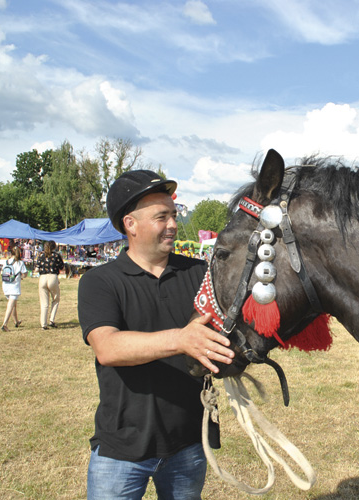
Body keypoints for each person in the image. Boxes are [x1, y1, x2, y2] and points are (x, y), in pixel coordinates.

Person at [78, 170, 234, 499]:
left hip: (188, 444)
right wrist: (181, 339)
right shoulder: (100, 281)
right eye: (161, 216)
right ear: (130, 224)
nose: (173, 224)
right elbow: (107, 348)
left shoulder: (198, 273)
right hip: (121, 449)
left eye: (174, 215)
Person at [34, 240, 65, 330]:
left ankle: (43, 324)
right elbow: (62, 267)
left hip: (42, 278)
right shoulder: (56, 255)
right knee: (56, 299)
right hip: (53, 277)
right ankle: (51, 320)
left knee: (44, 303)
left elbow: (36, 269)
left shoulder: (41, 255)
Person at [1, 247, 27, 331]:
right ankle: (5, 324)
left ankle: (16, 321)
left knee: (13, 304)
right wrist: (21, 276)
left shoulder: (6, 261)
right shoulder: (20, 263)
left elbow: (2, 272)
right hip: (14, 286)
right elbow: (25, 274)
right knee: (10, 305)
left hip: (5, 284)